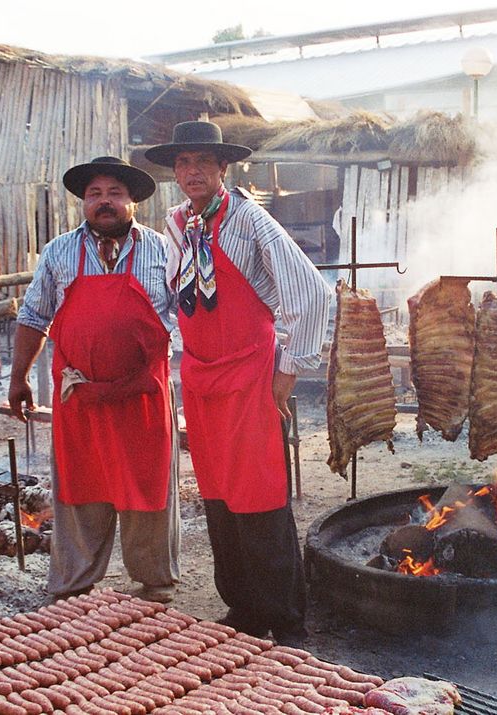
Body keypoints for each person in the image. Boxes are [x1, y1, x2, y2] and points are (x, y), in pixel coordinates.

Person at [145, 122, 331, 646]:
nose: (191, 172)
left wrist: (286, 374)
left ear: (222, 168)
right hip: (202, 376)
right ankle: (245, 609)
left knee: (260, 495)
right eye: (183, 163)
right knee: (218, 494)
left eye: (203, 161)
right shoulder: (178, 225)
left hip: (250, 372)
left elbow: (311, 294)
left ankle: (286, 617)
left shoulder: (250, 220)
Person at [8, 156, 179, 603]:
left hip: (142, 393)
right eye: (94, 194)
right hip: (78, 396)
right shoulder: (59, 252)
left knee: (146, 487)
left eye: (114, 193)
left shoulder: (164, 250)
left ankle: (155, 580)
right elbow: (33, 316)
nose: (104, 202)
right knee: (81, 486)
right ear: (84, 203)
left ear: (133, 202)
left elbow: (190, 316)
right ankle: (75, 583)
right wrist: (18, 376)